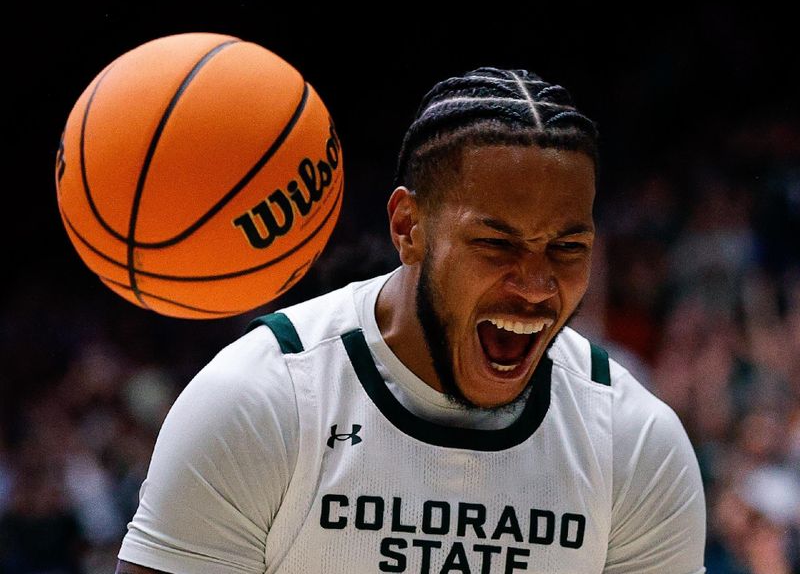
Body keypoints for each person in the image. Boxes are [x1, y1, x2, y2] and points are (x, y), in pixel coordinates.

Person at [115, 67, 707, 573]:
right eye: (496, 244)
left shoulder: (633, 442)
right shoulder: (262, 402)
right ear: (408, 227)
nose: (535, 284)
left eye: (567, 248)